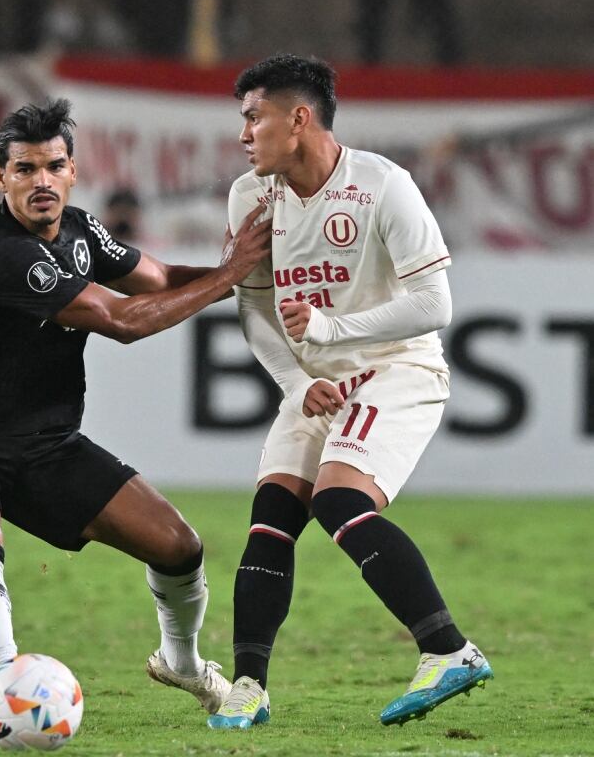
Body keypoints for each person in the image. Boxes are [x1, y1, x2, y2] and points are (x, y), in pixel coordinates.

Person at [0, 98, 272, 732]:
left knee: (178, 546)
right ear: (0, 178)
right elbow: (123, 321)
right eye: (24, 169)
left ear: (72, 171)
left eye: (53, 166)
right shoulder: (0, 254)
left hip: (46, 445)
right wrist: (233, 271)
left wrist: (249, 278)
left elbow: (159, 279)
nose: (41, 181)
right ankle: (5, 677)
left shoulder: (81, 231)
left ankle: (181, 661)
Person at [210, 54, 492, 730]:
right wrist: (297, 380)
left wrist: (338, 327)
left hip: (398, 368)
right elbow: (252, 309)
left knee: (338, 498)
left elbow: (435, 304)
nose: (243, 134)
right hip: (316, 382)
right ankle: (248, 687)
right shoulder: (250, 196)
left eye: (254, 117)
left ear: (298, 119)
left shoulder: (382, 186)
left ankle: (448, 649)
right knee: (271, 519)